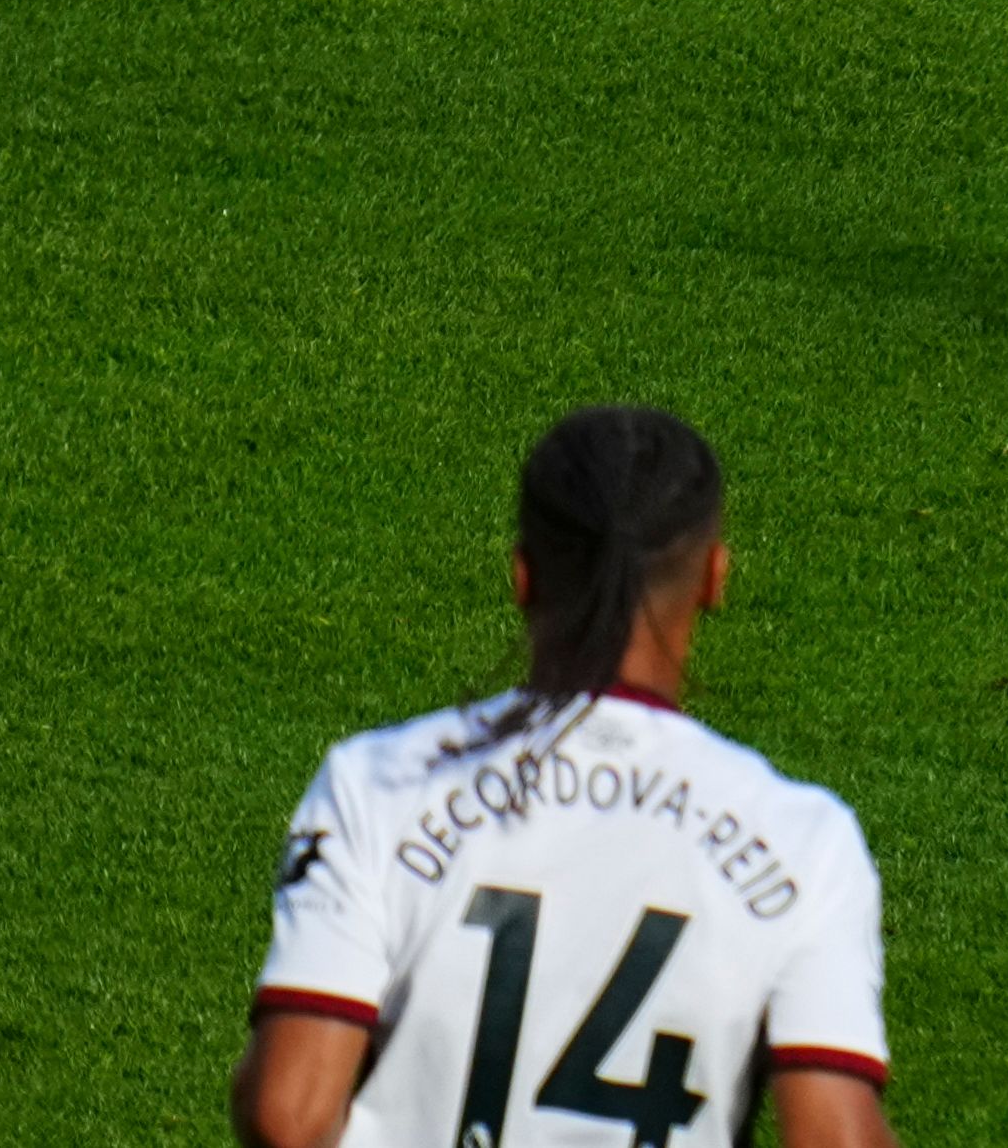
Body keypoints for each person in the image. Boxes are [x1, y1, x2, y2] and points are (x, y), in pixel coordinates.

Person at [239, 407, 888, 1148]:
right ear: (714, 576)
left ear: (523, 574)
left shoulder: (378, 784)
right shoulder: (805, 840)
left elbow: (287, 1116)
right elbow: (835, 1138)